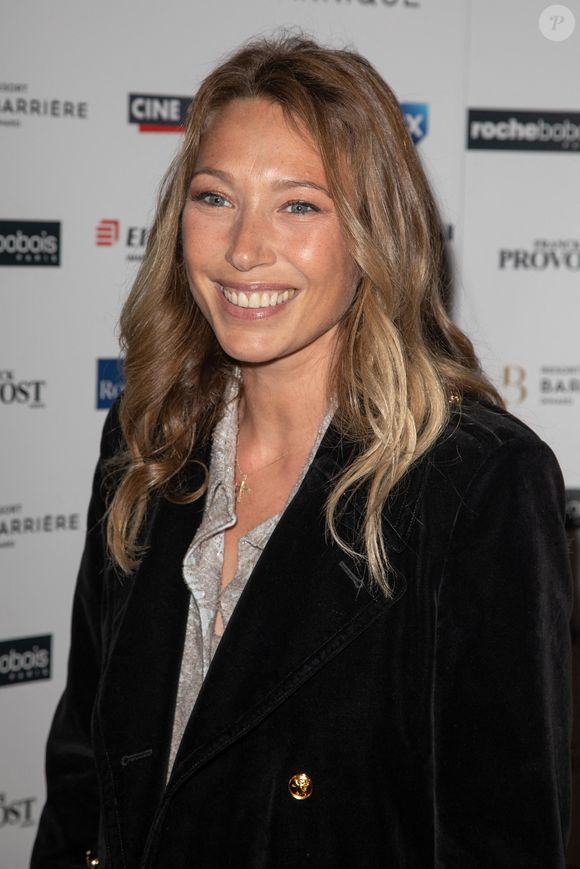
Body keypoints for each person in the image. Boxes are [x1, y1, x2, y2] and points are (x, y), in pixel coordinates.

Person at [32, 34, 572, 868]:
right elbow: (81, 781)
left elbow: (501, 839)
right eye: (215, 198)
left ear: (373, 233)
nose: (245, 250)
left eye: (299, 205)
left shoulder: (476, 487)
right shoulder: (145, 441)